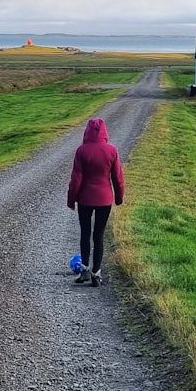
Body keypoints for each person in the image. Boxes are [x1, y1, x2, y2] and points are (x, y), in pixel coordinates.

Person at [66, 117, 124, 287]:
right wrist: (119, 197)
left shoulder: (81, 151)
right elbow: (118, 178)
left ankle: (84, 269)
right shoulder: (112, 151)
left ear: (87, 131)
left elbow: (76, 179)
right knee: (98, 235)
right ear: (105, 131)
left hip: (85, 198)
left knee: (85, 233)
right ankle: (96, 274)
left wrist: (71, 200)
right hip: (104, 199)